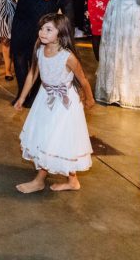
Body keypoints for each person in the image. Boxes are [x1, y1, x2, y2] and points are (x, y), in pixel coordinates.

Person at [14, 14, 94, 193]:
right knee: (53, 139)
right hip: (45, 98)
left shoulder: (68, 57)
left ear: (61, 33)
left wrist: (89, 98)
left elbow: (83, 79)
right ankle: (73, 181)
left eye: (48, 29)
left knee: (54, 139)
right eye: (41, 28)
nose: (42, 32)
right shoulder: (39, 49)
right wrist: (21, 97)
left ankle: (39, 180)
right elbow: (32, 74)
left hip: (65, 103)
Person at [10, 0, 59, 107]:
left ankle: (35, 96)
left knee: (36, 57)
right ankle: (22, 92)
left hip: (39, 20)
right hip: (21, 17)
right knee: (18, 55)